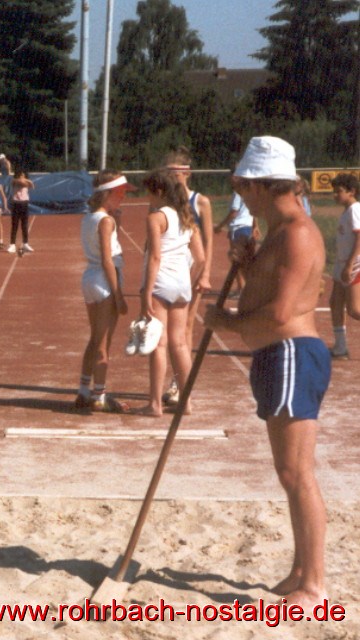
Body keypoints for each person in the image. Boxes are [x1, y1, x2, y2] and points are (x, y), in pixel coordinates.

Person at [204, 136, 330, 609]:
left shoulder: (297, 231)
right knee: (289, 472)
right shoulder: (278, 232)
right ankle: (301, 570)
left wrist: (228, 323)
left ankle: (314, 584)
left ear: (260, 186)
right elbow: (264, 294)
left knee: (298, 473)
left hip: (292, 353)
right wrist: (245, 267)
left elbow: (278, 313)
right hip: (279, 356)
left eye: (243, 187)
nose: (240, 196)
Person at [134, 168, 209, 417]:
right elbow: (200, 257)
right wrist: (187, 279)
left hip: (161, 283)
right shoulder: (186, 217)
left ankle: (155, 404)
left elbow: (155, 256)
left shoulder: (156, 218)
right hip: (181, 285)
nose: (148, 199)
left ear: (157, 191)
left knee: (158, 343)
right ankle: (186, 402)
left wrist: (146, 292)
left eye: (149, 193)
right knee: (179, 344)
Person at [75, 171, 134, 412]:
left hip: (91, 278)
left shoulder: (91, 218)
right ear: (107, 194)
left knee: (95, 339)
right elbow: (108, 259)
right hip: (104, 279)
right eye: (120, 193)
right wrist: (119, 295)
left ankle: (83, 390)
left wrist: (116, 223)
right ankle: (99, 395)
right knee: (103, 344)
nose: (123, 198)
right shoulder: (105, 221)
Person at [162, 149, 213, 405]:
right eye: (167, 172)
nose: (172, 176)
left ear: (187, 173)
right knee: (169, 333)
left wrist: (205, 274)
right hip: (170, 272)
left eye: (176, 172)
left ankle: (179, 384)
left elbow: (208, 241)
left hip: (191, 271)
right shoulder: (165, 201)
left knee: (185, 331)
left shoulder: (199, 201)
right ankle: (178, 383)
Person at [328, 172, 360, 358]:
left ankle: (341, 347)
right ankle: (340, 347)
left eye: (338, 191)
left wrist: (349, 265)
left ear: (351, 191)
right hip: (341, 264)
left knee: (355, 309)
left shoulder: (355, 209)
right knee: (335, 303)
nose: (335, 195)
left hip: (353, 264)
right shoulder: (347, 211)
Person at [214, 191, 258, 296]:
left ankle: (242, 288)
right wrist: (255, 225)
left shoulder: (238, 193)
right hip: (247, 227)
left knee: (237, 259)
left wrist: (220, 226)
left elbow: (234, 212)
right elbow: (253, 210)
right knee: (248, 260)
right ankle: (247, 288)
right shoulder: (251, 191)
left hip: (238, 227)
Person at [7, 171, 35, 256]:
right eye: (20, 175)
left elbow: (32, 186)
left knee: (24, 225)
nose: (22, 177)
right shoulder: (14, 181)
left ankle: (25, 244)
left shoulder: (26, 182)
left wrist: (27, 181)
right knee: (15, 225)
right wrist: (25, 181)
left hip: (24, 204)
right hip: (16, 204)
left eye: (23, 175)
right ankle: (12, 245)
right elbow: (21, 182)